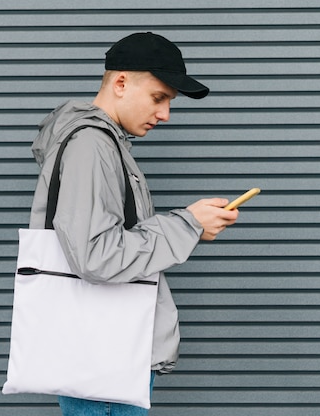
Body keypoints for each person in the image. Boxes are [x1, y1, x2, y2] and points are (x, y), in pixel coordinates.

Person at [28, 32, 239, 415]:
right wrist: (188, 224)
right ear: (121, 83)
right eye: (159, 98)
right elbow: (97, 257)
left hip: (102, 352)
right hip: (106, 359)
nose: (165, 115)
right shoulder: (91, 146)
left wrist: (191, 225)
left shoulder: (104, 143)